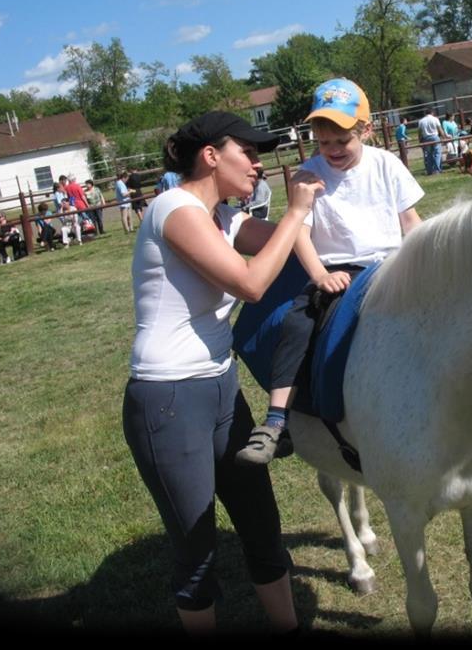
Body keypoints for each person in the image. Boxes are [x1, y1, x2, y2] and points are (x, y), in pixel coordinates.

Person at [122, 110, 325, 634]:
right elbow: (251, 283)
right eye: (249, 153)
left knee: (262, 525)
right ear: (211, 156)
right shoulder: (176, 209)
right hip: (168, 398)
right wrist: (297, 211)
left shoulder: (224, 217)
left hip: (220, 388)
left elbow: (296, 244)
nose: (258, 164)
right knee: (197, 546)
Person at [235, 77, 424, 466]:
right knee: (297, 322)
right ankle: (276, 421)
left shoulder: (387, 164)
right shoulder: (308, 175)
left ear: (365, 130)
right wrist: (319, 275)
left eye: (343, 141)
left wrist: (427, 258)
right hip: (336, 269)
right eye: (324, 142)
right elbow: (300, 234)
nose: (333, 150)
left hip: (390, 264)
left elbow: (410, 222)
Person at [417, 107, 447, 175]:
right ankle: (437, 170)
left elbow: (419, 132)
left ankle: (429, 171)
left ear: (425, 113)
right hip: (435, 137)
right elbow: (440, 129)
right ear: (432, 112)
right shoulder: (435, 119)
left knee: (428, 155)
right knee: (437, 154)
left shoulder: (421, 121)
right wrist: (444, 137)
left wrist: (420, 141)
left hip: (426, 138)